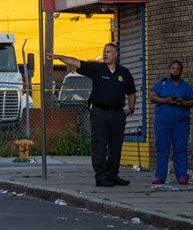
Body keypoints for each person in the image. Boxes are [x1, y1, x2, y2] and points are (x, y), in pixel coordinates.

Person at [47, 43, 136, 187]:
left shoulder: (124, 73)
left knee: (116, 145)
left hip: (118, 115)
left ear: (115, 55)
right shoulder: (97, 69)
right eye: (104, 52)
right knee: (99, 144)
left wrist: (130, 109)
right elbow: (75, 61)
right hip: (99, 112)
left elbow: (131, 92)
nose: (105, 54)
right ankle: (101, 177)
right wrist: (58, 57)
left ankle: (113, 175)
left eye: (108, 52)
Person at [150, 60, 193, 185]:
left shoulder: (185, 86)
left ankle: (182, 176)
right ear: (169, 70)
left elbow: (192, 101)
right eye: (172, 68)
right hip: (162, 123)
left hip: (181, 124)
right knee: (162, 149)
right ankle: (160, 176)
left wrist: (182, 103)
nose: (174, 70)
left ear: (181, 71)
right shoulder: (162, 83)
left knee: (180, 149)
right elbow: (152, 97)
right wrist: (165, 100)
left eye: (177, 69)